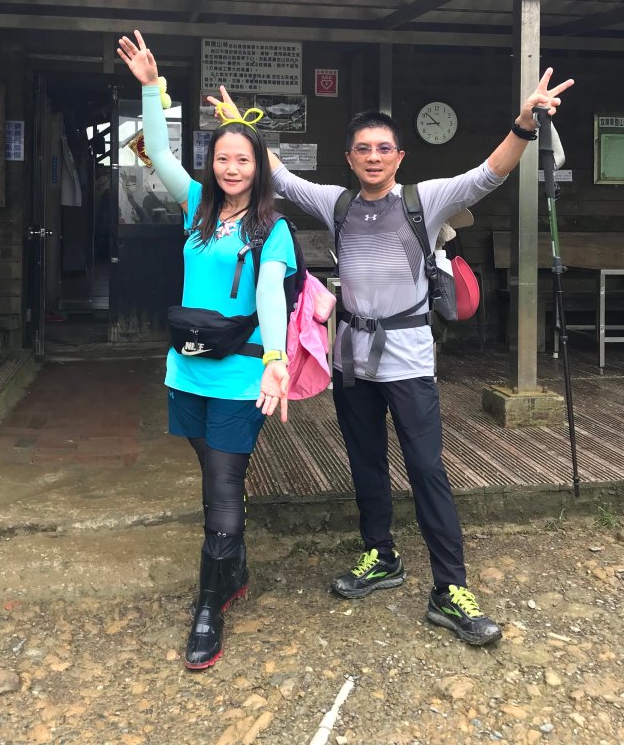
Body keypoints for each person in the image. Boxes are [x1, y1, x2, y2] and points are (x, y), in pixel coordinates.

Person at [209, 69, 573, 647]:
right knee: (366, 464)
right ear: (349, 158)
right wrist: (236, 125)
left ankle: (449, 588)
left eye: (383, 149)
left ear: (399, 156)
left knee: (427, 470)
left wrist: (524, 125)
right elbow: (278, 173)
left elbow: (490, 173)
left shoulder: (425, 200)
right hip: (351, 362)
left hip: (409, 363)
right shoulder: (337, 204)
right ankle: (380, 555)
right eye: (363, 149)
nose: (373, 157)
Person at [117, 31, 296, 671]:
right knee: (212, 472)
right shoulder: (195, 205)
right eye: (223, 158)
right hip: (186, 369)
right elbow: (159, 151)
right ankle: (235, 565)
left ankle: (209, 607)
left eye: (243, 160)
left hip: (241, 375)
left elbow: (271, 294)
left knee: (222, 488)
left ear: (259, 167)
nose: (231, 168)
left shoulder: (272, 229)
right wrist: (151, 89)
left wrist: (276, 361)